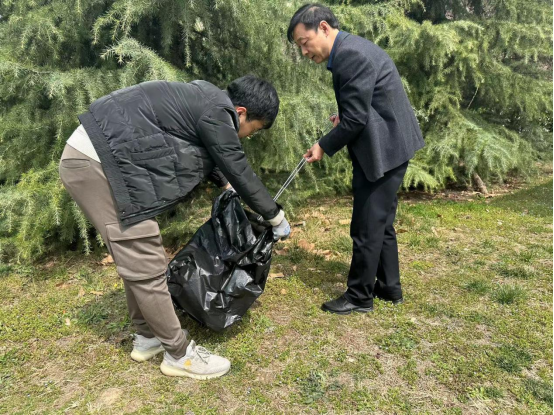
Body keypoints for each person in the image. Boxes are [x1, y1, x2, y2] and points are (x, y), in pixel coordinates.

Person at [59, 75, 291, 379]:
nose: (248, 136)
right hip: (98, 164)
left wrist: (225, 184)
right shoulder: (218, 112)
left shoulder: (207, 99)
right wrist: (275, 216)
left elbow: (207, 150)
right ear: (242, 112)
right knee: (146, 261)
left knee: (137, 260)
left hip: (100, 159)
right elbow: (237, 165)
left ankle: (147, 336)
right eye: (254, 130)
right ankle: (179, 355)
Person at [288, 4, 425, 315]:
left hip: (385, 149)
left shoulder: (349, 55)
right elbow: (364, 106)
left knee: (365, 226)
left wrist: (323, 145)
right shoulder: (352, 48)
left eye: (304, 42)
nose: (304, 52)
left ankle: (359, 296)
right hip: (391, 143)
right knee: (380, 221)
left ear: (323, 28)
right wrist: (345, 117)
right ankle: (389, 288)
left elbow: (356, 120)